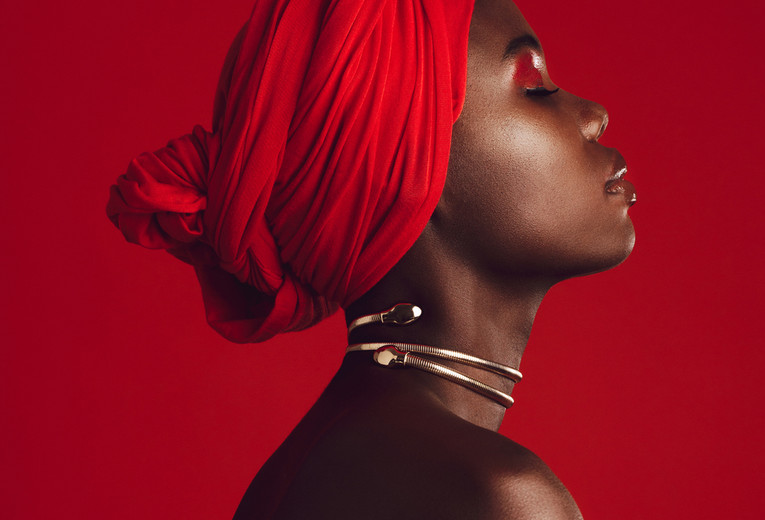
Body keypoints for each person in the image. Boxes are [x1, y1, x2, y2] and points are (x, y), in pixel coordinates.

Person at [108, 0, 635, 518]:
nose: (594, 115)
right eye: (535, 87)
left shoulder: (295, 476)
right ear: (408, 172)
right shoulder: (496, 497)